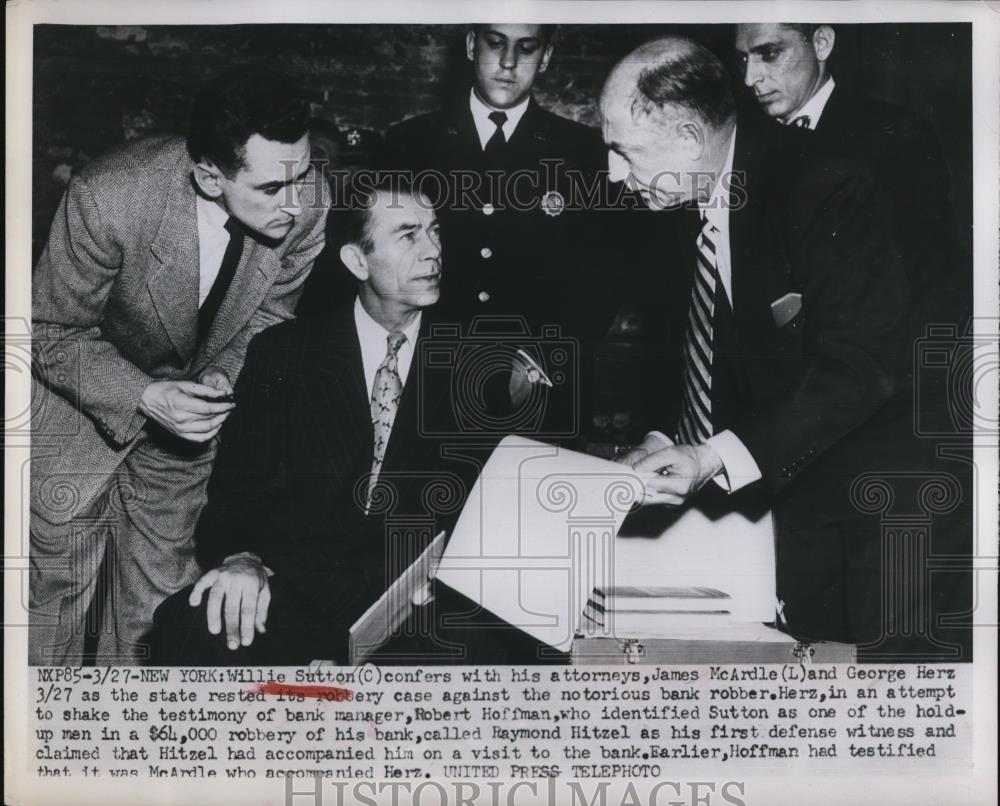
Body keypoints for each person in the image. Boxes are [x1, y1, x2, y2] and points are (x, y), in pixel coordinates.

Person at [602, 36, 970, 659]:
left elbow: (861, 366)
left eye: (623, 149)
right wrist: (670, 442)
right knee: (812, 695)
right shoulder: (695, 201)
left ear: (689, 140)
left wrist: (713, 457)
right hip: (807, 495)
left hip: (893, 500)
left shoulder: (822, 184)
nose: (613, 173)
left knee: (898, 700)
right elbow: (722, 353)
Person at [148, 177, 540, 665]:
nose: (433, 251)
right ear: (357, 260)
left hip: (421, 607)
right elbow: (235, 497)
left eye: (435, 231)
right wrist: (242, 559)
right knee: (189, 627)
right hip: (302, 595)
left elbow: (497, 516)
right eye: (408, 235)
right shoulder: (284, 355)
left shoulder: (479, 364)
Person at [29, 68, 328, 665]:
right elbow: (48, 332)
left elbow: (269, 320)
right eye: (272, 189)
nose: (296, 205)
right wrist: (146, 394)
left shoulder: (307, 200)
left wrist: (223, 378)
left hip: (187, 440)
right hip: (76, 412)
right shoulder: (109, 197)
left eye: (303, 175)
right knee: (54, 610)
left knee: (157, 617)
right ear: (209, 177)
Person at [383, 23, 618, 441]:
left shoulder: (584, 153)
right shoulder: (408, 144)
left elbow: (603, 282)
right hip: (428, 383)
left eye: (526, 49)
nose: (508, 63)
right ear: (472, 45)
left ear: (545, 57)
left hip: (539, 395)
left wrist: (540, 360)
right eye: (496, 44)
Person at [733, 23, 970, 329]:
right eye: (742, 60)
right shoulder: (745, 147)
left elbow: (933, 275)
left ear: (821, 43)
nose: (751, 78)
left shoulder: (896, 134)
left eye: (769, 53)